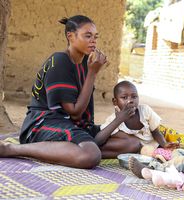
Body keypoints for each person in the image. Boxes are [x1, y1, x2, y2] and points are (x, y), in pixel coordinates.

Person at [0, 15, 112, 169]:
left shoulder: (86, 62)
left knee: (129, 143)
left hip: (70, 124)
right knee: (90, 155)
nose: (93, 40)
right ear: (70, 36)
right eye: (87, 36)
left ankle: (69, 150)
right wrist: (93, 73)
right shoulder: (60, 61)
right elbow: (75, 112)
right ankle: (11, 149)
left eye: (95, 37)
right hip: (42, 124)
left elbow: (79, 115)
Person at [95, 80, 179, 158]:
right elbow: (98, 140)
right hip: (128, 146)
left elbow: (156, 132)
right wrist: (118, 120)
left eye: (134, 97)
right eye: (124, 97)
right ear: (115, 102)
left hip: (147, 150)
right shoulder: (114, 118)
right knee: (131, 143)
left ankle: (99, 154)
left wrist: (164, 144)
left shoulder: (145, 111)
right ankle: (97, 154)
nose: (130, 101)